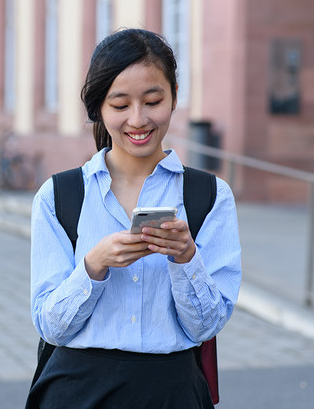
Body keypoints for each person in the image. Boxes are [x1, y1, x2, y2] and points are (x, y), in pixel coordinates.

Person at [26, 28, 241, 408]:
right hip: (77, 392)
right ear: (98, 108)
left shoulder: (209, 196)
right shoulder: (60, 196)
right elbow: (51, 326)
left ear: (174, 96)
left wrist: (185, 258)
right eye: (120, 105)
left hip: (173, 392)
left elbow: (205, 327)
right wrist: (94, 264)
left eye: (153, 100)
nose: (138, 120)